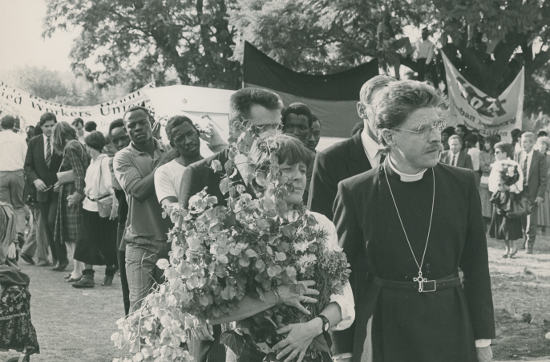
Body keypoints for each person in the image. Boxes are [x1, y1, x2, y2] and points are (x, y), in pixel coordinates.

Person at [333, 80, 495, 362]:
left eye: (437, 126)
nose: (435, 138)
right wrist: (343, 349)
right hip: (385, 323)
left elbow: (476, 265)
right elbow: (344, 275)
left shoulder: (462, 184)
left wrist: (482, 339)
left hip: (450, 320)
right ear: (389, 137)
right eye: (421, 129)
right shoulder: (355, 191)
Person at [211, 134, 355, 361]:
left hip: (311, 350)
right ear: (260, 177)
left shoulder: (321, 224)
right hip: (251, 353)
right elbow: (214, 312)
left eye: (302, 170)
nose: (299, 177)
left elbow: (344, 299)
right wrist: (277, 296)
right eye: (287, 169)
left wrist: (313, 327)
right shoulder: (239, 228)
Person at [179, 88, 283, 208]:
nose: (273, 135)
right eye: (263, 127)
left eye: (277, 126)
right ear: (238, 127)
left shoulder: (283, 170)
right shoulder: (198, 174)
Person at [113, 106, 174, 311]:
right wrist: (166, 161)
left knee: (170, 309)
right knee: (139, 310)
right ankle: (138, 345)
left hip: (171, 242)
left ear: (152, 123)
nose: (138, 128)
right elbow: (138, 191)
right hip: (141, 243)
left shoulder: (169, 149)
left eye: (142, 123)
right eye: (132, 125)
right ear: (126, 130)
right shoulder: (123, 157)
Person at [308, 75, 394, 221]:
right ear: (362, 110)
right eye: (382, 107)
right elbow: (319, 224)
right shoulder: (331, 159)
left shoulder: (410, 156)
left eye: (396, 108)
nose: (390, 116)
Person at [72, 131, 118, 288]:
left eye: (88, 146)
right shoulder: (92, 162)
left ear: (92, 147)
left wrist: (114, 203)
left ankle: (109, 268)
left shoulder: (104, 161)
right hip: (88, 205)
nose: (86, 149)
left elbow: (110, 183)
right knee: (86, 240)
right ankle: (88, 275)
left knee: (105, 240)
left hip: (101, 206)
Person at [24, 112, 63, 267]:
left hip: (57, 189)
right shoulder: (34, 142)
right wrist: (35, 180)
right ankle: (49, 257)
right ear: (41, 127)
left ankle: (60, 258)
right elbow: (28, 166)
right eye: (46, 126)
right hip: (40, 190)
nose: (50, 129)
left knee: (53, 222)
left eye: (52, 125)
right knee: (44, 225)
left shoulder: (61, 141)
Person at [52, 122, 90, 277]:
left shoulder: (70, 147)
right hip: (71, 190)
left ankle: (77, 270)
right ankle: (77, 269)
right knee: (73, 235)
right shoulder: (78, 144)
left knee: (72, 235)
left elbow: (79, 172)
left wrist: (78, 194)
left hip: (72, 193)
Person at [154, 116, 203, 210]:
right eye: (180, 139)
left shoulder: (213, 163)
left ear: (197, 133)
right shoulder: (164, 172)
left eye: (190, 134)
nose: (188, 141)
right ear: (173, 145)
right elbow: (170, 208)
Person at [108, 119, 131, 315]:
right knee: (127, 282)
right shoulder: (114, 162)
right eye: (116, 140)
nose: (121, 143)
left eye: (124, 137)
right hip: (125, 224)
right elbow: (126, 192)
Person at [488, 142, 524, 258]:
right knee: (501, 223)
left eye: (498, 152)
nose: (495, 154)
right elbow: (492, 182)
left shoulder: (513, 165)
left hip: (510, 197)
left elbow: (519, 181)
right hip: (499, 196)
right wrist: (497, 189)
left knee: (510, 222)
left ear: (505, 153)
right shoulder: (495, 165)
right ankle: (507, 248)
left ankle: (513, 246)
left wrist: (509, 187)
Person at [515, 132, 547, 254]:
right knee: (522, 217)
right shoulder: (518, 154)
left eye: (527, 142)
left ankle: (530, 244)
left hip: (533, 192)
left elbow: (543, 179)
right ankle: (524, 239)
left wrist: (540, 195)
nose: (524, 144)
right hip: (520, 191)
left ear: (533, 143)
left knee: (531, 219)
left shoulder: (540, 157)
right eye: (522, 142)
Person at [0, 115, 28, 248]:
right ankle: (19, 232)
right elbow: (25, 157)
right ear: (13, 125)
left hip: (2, 173)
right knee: (18, 205)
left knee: (5, 207)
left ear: (1, 125)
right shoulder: (20, 139)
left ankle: (7, 236)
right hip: (17, 173)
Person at [534, 136, 550, 232]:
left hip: (546, 182)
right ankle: (536, 223)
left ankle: (545, 224)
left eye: (545, 144)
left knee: (545, 203)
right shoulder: (535, 156)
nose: (542, 146)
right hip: (536, 182)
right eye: (541, 143)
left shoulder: (548, 157)